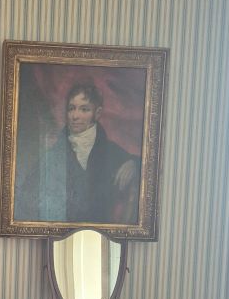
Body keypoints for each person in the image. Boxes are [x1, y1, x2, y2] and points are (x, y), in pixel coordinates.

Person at [14, 81, 139, 224]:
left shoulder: (109, 149)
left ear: (97, 113)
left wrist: (133, 163)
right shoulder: (54, 154)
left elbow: (146, 168)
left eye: (84, 109)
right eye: (71, 108)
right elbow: (25, 195)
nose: (75, 116)